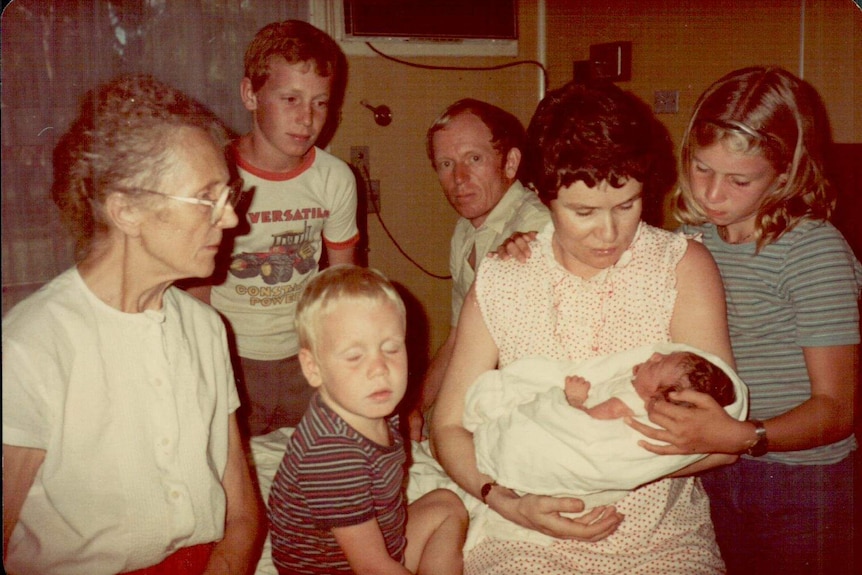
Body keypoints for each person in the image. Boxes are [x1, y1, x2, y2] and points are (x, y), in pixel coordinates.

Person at [430, 79, 736, 574]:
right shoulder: (506, 277)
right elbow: (448, 427)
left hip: (662, 540)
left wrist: (612, 468)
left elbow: (722, 432)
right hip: (524, 536)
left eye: (627, 204)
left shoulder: (681, 266)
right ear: (542, 194)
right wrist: (504, 500)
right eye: (583, 212)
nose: (609, 233)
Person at [2, 75, 262, 575]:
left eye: (228, 195)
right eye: (207, 198)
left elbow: (243, 511)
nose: (231, 221)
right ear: (126, 209)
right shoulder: (31, 348)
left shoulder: (206, 328)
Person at [628, 66, 862, 575]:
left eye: (738, 180)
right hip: (713, 466)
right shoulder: (696, 240)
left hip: (800, 483)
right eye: (701, 169)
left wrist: (742, 436)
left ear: (785, 174)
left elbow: (838, 407)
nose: (712, 195)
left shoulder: (813, 251)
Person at [188, 20, 360, 437]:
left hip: (306, 356)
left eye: (320, 103)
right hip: (234, 357)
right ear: (250, 94)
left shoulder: (335, 179)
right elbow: (196, 291)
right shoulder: (216, 171)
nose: (307, 118)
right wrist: (209, 368)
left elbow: (340, 283)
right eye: (290, 99)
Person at [267, 265, 467, 575]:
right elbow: (372, 566)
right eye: (354, 356)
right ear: (313, 367)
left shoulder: (372, 408)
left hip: (384, 546)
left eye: (391, 348)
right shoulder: (332, 454)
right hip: (345, 569)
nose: (379, 369)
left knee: (447, 504)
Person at [408, 98, 550, 439]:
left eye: (474, 159)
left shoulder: (539, 228)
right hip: (485, 395)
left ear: (510, 162)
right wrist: (415, 407)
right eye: (446, 164)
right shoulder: (465, 231)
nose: (459, 178)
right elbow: (460, 336)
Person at [463, 343, 746, 514]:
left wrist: (572, 400)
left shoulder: (624, 402)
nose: (656, 355)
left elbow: (585, 423)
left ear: (658, 398)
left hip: (557, 440)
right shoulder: (641, 391)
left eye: (657, 366)